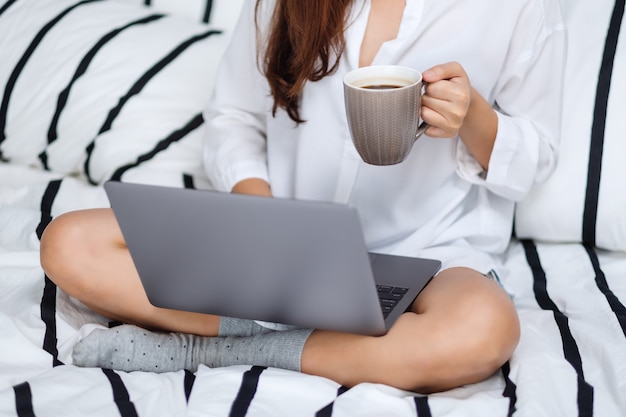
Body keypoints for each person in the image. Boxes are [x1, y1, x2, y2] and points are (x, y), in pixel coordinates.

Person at [40, 0, 566, 393]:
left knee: (485, 327)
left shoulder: (519, 9)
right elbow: (233, 117)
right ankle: (307, 334)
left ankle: (207, 350)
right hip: (284, 249)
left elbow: (536, 158)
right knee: (69, 242)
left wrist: (473, 116)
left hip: (430, 260)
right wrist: (259, 214)